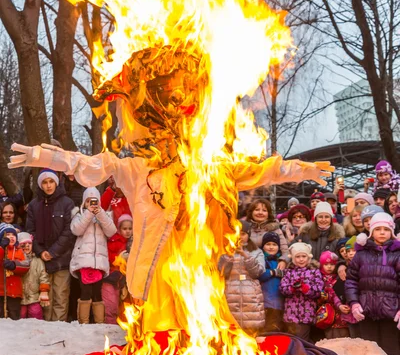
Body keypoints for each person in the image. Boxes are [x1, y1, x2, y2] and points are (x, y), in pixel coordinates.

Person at [8, 137, 332, 336]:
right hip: (154, 274)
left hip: (196, 272)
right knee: (160, 347)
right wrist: (46, 157)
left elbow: (258, 170)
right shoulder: (136, 169)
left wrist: (302, 168)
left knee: (201, 340)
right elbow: (90, 165)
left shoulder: (206, 167)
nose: (167, 143)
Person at [345, 212, 400, 355]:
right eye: (378, 229)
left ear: (392, 232)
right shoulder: (361, 255)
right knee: (369, 354)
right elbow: (351, 280)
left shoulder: (397, 255)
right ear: (371, 232)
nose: (382, 232)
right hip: (366, 311)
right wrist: (354, 303)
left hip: (391, 313)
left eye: (386, 229)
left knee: (391, 353)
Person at [26, 169, 75, 322]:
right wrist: (41, 252)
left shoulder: (67, 202)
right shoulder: (34, 204)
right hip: (42, 260)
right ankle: (47, 332)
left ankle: (59, 330)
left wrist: (53, 252)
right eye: (45, 182)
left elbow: (69, 231)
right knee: (46, 299)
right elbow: (30, 231)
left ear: (56, 182)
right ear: (40, 185)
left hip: (62, 258)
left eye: (51, 182)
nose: (48, 186)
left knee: (61, 296)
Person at [70, 187, 117, 325]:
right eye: (89, 201)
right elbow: (76, 230)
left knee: (97, 293)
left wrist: (100, 214)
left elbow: (111, 231)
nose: (92, 204)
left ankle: (99, 323)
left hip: (99, 262)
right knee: (85, 292)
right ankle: (83, 322)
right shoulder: (79, 215)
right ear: (84, 202)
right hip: (83, 261)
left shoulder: (105, 216)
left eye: (95, 201)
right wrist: (88, 214)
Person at [218, 221, 265, 336]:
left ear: (248, 235)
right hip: (231, 294)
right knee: (232, 332)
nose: (240, 236)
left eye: (243, 233)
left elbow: (258, 272)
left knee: (251, 333)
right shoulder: (224, 251)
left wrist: (245, 255)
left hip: (251, 296)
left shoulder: (257, 252)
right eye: (237, 233)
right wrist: (229, 255)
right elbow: (222, 272)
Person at [280, 242, 324, 341]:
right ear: (293, 258)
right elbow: (282, 288)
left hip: (307, 313)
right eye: (297, 257)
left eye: (303, 256)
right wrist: (292, 288)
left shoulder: (314, 271)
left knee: (302, 340)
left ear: (308, 257)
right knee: (292, 340)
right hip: (291, 313)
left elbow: (318, 290)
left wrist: (306, 289)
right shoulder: (289, 271)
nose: (301, 259)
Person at [102, 214, 133, 324]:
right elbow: (108, 257)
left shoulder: (132, 243)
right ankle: (110, 328)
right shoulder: (114, 241)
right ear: (119, 229)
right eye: (124, 229)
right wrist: (120, 258)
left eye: (130, 228)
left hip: (123, 280)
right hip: (110, 277)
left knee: (123, 307)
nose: (128, 231)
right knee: (111, 306)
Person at [317, 251, 350, 339]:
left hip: (340, 313)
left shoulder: (340, 277)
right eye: (326, 264)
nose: (329, 267)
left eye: (332, 264)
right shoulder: (318, 277)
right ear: (321, 265)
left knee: (343, 337)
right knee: (328, 338)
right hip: (326, 315)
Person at [18, 232, 50, 320]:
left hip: (34, 297)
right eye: (23, 244)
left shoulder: (37, 261)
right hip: (19, 298)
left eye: (29, 243)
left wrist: (44, 291)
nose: (27, 246)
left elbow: (44, 276)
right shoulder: (15, 260)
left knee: (36, 316)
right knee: (20, 318)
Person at [0, 224, 29, 319]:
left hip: (14, 292)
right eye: (7, 235)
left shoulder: (19, 251)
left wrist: (14, 265)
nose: (11, 237)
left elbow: (26, 265)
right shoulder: (1, 249)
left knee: (14, 318)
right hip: (1, 292)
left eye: (13, 235)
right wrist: (1, 247)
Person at [258, 231, 284, 333]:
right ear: (263, 246)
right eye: (268, 244)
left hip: (280, 302)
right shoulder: (261, 260)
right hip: (265, 302)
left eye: (274, 244)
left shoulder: (281, 261)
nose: (271, 247)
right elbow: (259, 274)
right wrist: (272, 272)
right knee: (267, 330)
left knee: (278, 330)